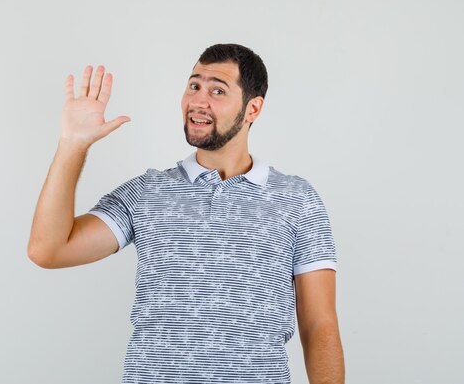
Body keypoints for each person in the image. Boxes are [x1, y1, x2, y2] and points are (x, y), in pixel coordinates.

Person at [27, 43, 345, 384]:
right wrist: (73, 144)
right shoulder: (147, 191)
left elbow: (319, 326)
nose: (198, 100)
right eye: (194, 85)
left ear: (253, 108)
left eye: (217, 90)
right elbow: (49, 249)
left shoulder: (297, 200)